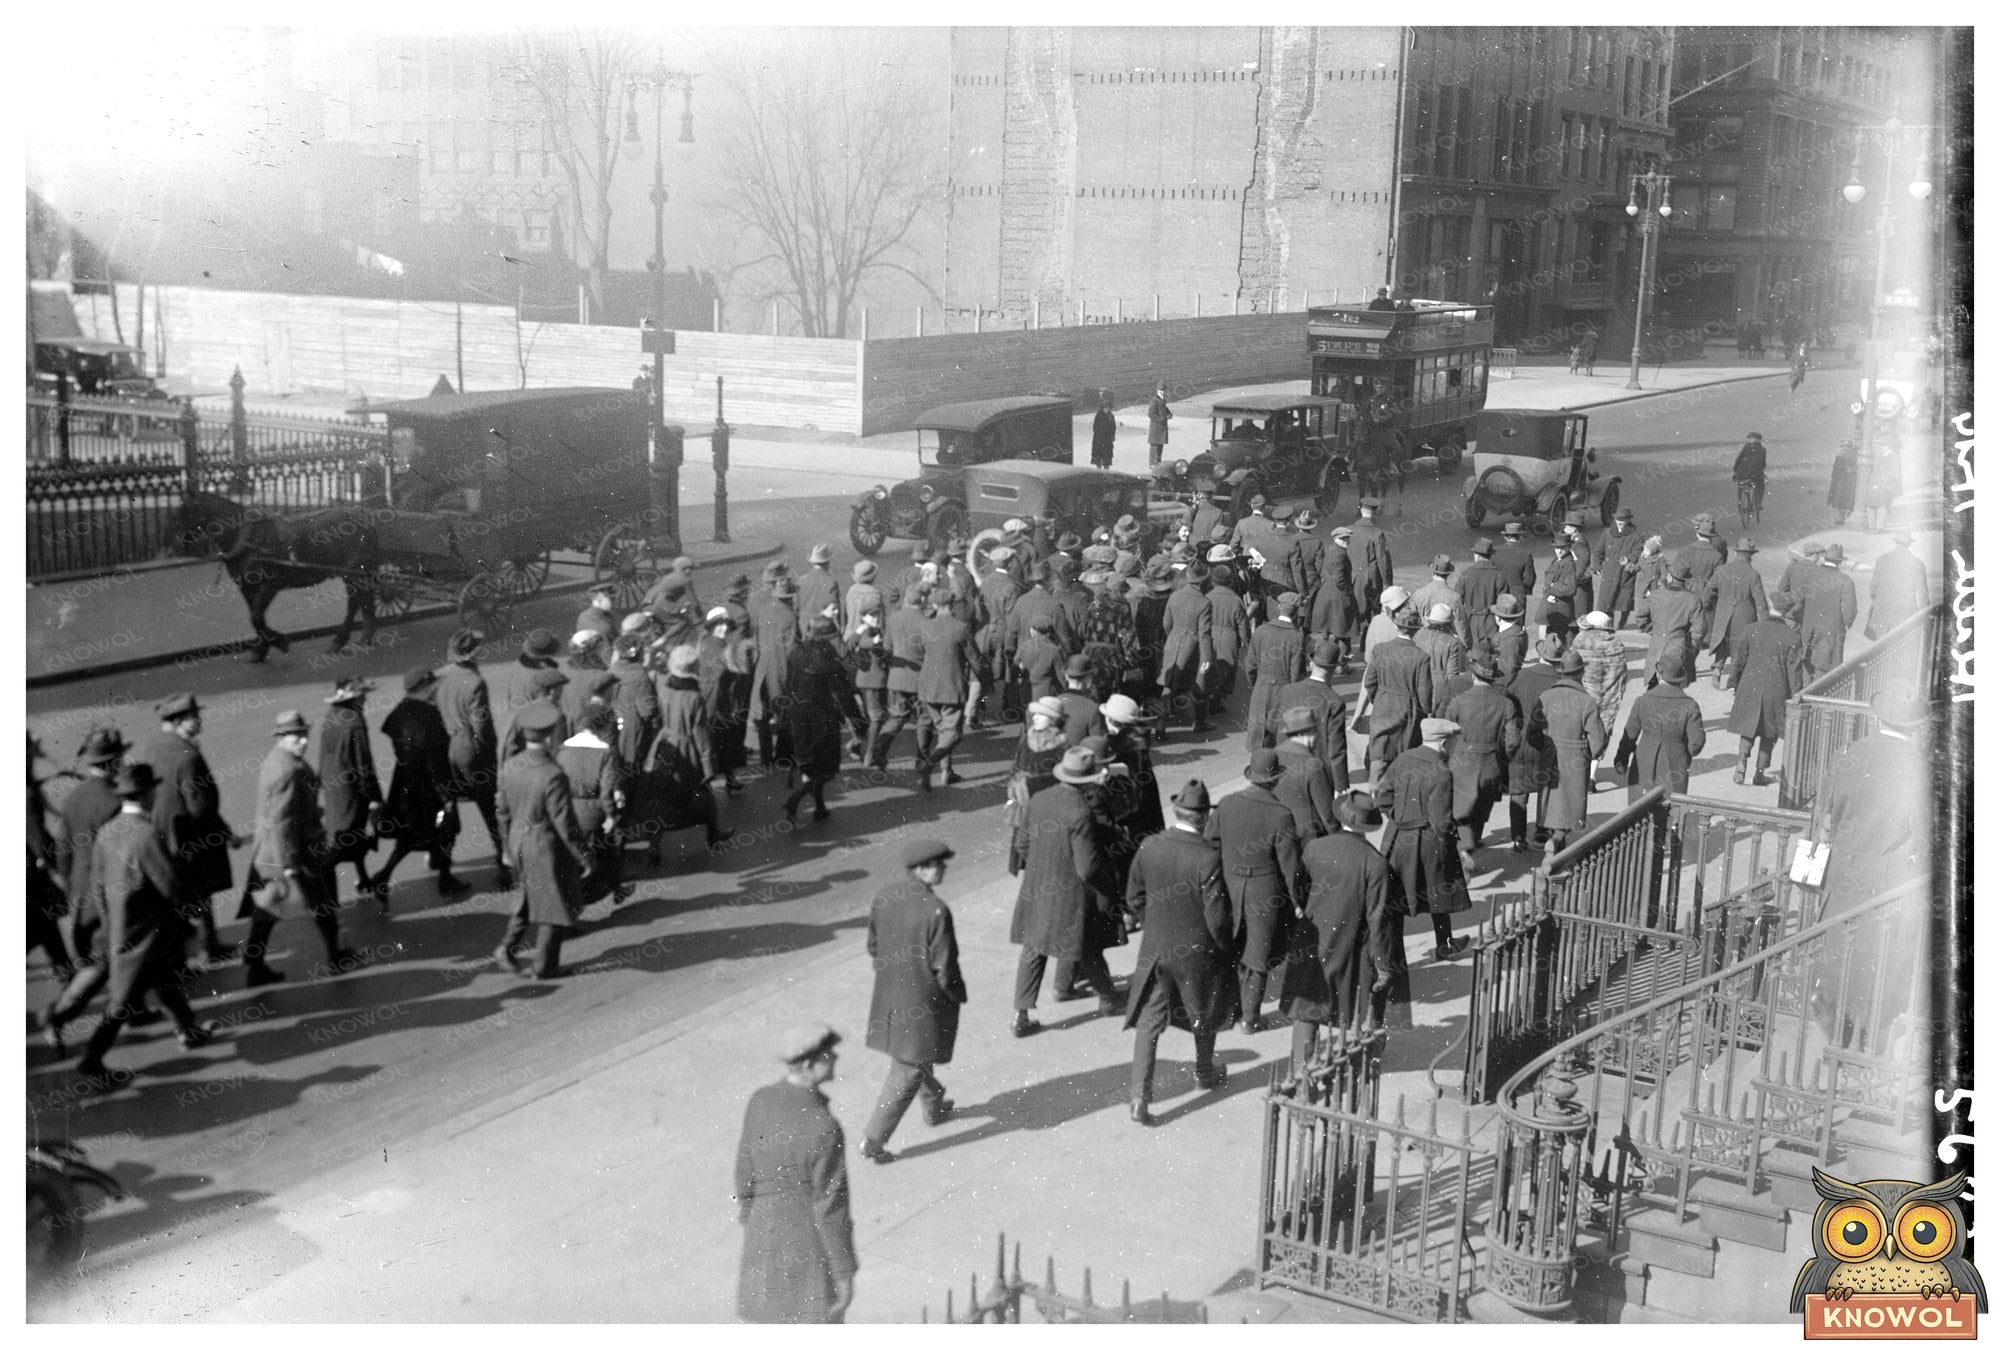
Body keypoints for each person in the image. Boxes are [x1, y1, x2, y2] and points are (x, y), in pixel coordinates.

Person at [69, 763, 221, 1089]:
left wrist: (109, 925)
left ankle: (189, 1030)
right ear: (147, 793)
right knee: (121, 1001)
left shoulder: (108, 831)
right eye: (153, 790)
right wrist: (194, 909)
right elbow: (168, 880)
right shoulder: (146, 833)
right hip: (143, 931)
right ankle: (91, 1058)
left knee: (165, 980)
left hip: (120, 926)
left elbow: (96, 884)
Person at [1122, 779, 1236, 1125]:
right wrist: (1227, 949)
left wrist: (1154, 924)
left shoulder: (1150, 846)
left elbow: (1133, 899)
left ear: (1177, 812)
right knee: (1204, 1010)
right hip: (1197, 953)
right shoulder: (1208, 858)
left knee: (1149, 1023)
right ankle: (1205, 1071)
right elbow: (1217, 919)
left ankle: (1139, 1098)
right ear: (1203, 818)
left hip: (1156, 949)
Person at [733, 1023, 857, 1323]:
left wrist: (750, 1216)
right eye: (827, 1055)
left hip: (761, 1236)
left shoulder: (760, 1099)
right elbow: (831, 1207)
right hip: (809, 1248)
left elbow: (744, 1169)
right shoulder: (823, 1127)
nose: (835, 1058)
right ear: (806, 1066)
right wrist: (843, 1271)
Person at [854, 838, 967, 1164]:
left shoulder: (885, 895)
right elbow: (945, 968)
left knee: (915, 1054)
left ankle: (934, 1105)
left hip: (890, 994)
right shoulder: (936, 911)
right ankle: (872, 1140)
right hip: (923, 1000)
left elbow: (874, 946)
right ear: (922, 869)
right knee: (908, 1068)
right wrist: (956, 994)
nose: (944, 869)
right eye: (939, 864)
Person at [1282, 790, 1405, 1070]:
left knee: (1308, 1001)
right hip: (1353, 942)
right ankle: (1366, 1055)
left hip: (1312, 936)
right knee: (1365, 999)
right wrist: (1384, 964)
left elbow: (1298, 891)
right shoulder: (1375, 863)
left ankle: (1303, 1064)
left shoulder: (1315, 848)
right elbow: (1379, 919)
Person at [1009, 745, 1122, 1035]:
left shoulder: (1039, 799)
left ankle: (1020, 1016)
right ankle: (1108, 999)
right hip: (1070, 893)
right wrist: (1108, 887)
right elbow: (1087, 867)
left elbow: (1021, 845)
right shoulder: (1080, 812)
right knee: (1086, 946)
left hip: (1036, 888)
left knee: (1033, 949)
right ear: (1087, 780)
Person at [241, 711, 356, 988]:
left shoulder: (275, 760)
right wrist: (289, 865)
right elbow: (282, 821)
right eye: (296, 736)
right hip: (293, 852)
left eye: (304, 735)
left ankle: (254, 964)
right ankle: (336, 956)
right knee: (322, 905)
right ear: (282, 737)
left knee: (267, 910)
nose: (303, 741)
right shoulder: (288, 770)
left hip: (269, 851)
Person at [133, 693, 241, 965]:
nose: (199, 721)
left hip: (160, 831)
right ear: (180, 721)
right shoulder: (188, 755)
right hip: (191, 835)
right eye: (195, 717)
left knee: (175, 890)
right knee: (201, 891)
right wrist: (220, 830)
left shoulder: (152, 747)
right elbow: (200, 806)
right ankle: (208, 947)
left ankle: (185, 945)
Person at [493, 702, 592, 979]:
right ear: (549, 737)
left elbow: (502, 811)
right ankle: (544, 967)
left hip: (517, 841)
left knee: (526, 895)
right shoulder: (553, 774)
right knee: (553, 905)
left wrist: (504, 848)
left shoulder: (511, 766)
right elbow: (565, 824)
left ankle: (507, 947)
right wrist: (584, 855)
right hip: (543, 846)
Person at [1209, 750, 1302, 1034]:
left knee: (1229, 945)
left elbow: (1210, 845)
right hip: (1265, 890)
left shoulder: (1226, 804)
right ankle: (1249, 1018)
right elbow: (1290, 867)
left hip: (1229, 882)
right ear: (1275, 780)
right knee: (1258, 952)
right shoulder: (1280, 814)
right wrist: (1298, 901)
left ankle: (1228, 1010)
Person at [1377, 720, 1471, 961]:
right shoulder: (1442, 772)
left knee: (1393, 897)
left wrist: (1399, 817)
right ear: (1443, 742)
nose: (1453, 746)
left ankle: (1389, 955)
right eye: (1452, 742)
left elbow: (1383, 796)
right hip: (1429, 841)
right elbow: (1441, 822)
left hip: (1395, 837)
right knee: (1439, 892)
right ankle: (1444, 944)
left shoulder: (1404, 758)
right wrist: (1453, 849)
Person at [373, 668, 465, 898]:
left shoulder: (399, 712)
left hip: (405, 783)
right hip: (431, 787)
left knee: (410, 835)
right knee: (448, 829)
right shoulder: (429, 716)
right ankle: (445, 879)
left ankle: (384, 875)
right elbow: (435, 761)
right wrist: (447, 796)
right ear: (425, 689)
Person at [438, 629, 509, 887]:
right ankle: (503, 868)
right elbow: (482, 726)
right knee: (491, 812)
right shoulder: (475, 681)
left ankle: (443, 868)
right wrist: (490, 755)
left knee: (449, 809)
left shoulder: (440, 676)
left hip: (448, 750)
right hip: (471, 751)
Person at [1441, 653, 1522, 852]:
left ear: (1474, 676)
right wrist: (1501, 757)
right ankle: (1473, 841)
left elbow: (1445, 735)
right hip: (1491, 763)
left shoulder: (1458, 701)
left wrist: (1449, 757)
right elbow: (1512, 742)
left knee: (1460, 809)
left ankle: (1465, 846)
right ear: (1493, 679)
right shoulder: (1506, 704)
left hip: (1462, 762)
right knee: (1482, 806)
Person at [1530, 650, 1609, 852]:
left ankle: (1549, 841)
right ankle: (1556, 842)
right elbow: (1598, 741)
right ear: (1581, 673)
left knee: (1550, 804)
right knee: (1570, 808)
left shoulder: (1545, 697)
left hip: (1549, 756)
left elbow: (1532, 733)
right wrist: (1586, 754)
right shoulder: (1587, 701)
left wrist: (1546, 748)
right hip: (1576, 758)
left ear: (1560, 672)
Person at [317, 677, 383, 905]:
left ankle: (363, 879)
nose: (364, 698)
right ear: (353, 697)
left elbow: (324, 755)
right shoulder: (355, 721)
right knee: (344, 840)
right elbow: (364, 763)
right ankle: (327, 899)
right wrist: (374, 797)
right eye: (361, 694)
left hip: (334, 788)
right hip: (352, 791)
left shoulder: (332, 715)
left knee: (348, 835)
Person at [1724, 603, 1805, 787]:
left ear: (1769, 606)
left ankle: (1741, 760)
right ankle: (1759, 773)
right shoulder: (1792, 637)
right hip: (1776, 690)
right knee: (1770, 732)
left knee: (1748, 727)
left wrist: (1733, 682)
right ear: (1787, 611)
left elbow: (1739, 660)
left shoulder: (1751, 629)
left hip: (1750, 686)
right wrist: (1795, 695)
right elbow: (1795, 671)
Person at [557, 705, 629, 905]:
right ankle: (610, 890)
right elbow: (606, 792)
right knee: (605, 853)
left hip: (569, 810)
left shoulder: (563, 748)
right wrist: (610, 816)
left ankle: (611, 890)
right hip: (593, 812)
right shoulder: (605, 752)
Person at [1357, 605, 1435, 784]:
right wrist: (1425, 713)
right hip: (1409, 711)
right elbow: (1425, 695)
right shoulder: (1421, 657)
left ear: (1396, 626)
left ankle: (1374, 799)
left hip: (1383, 707)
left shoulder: (1380, 650)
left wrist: (1379, 699)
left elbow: (1369, 682)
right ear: (1416, 631)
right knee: (1405, 759)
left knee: (1378, 758)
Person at [784, 619, 850, 821]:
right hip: (821, 716)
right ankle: (796, 799)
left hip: (798, 713)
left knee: (811, 764)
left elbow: (790, 683)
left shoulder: (795, 651)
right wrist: (852, 716)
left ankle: (820, 806)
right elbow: (840, 687)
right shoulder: (827, 653)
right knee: (826, 767)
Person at [1613, 651, 1706, 794]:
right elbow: (1696, 743)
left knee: (1638, 809)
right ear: (1681, 679)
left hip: (1643, 761)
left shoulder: (1642, 701)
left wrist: (1622, 759)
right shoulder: (1690, 705)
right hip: (1675, 764)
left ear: (1658, 675)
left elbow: (1629, 735)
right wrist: (1683, 752)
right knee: (1670, 810)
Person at [913, 590, 978, 791]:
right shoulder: (960, 628)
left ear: (934, 605)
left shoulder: (925, 626)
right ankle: (931, 764)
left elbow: (917, 651)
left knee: (937, 728)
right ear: (952, 605)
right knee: (953, 734)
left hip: (927, 687)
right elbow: (974, 658)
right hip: (951, 687)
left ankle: (944, 770)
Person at [1505, 638, 1565, 852]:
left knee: (1519, 789)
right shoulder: (1560, 681)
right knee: (1545, 787)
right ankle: (1541, 830)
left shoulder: (1521, 675)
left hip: (1522, 737)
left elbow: (1508, 698)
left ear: (1540, 654)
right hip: (1548, 740)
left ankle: (1518, 838)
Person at [1268, 638, 1351, 789]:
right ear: (1333, 669)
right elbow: (1336, 748)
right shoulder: (1334, 701)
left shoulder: (1287, 690)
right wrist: (1341, 785)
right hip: (1317, 776)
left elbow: (1271, 725)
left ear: (1311, 664)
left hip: (1284, 767)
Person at [1243, 590, 1306, 753]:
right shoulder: (1296, 637)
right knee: (1280, 742)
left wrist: (1257, 684)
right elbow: (1296, 674)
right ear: (1296, 613)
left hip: (1261, 689)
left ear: (1279, 607)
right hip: (1283, 692)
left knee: (1259, 742)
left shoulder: (1261, 630)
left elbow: (1250, 665)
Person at [1702, 538, 1770, 686]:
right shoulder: (1753, 574)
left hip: (1723, 612)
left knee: (1722, 640)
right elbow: (1761, 602)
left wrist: (1706, 605)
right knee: (1739, 647)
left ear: (1736, 553)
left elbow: (1708, 590)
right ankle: (1734, 680)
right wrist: (1765, 622)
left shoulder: (1722, 570)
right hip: (1744, 614)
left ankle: (1717, 668)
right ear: (1749, 556)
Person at [1156, 562, 1214, 736]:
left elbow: (1166, 623)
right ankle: (1201, 721)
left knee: (1169, 684)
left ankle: (1160, 724)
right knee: (1199, 684)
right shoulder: (1204, 602)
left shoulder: (1174, 596)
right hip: (1193, 648)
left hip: (1173, 643)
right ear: (1204, 580)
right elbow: (1204, 634)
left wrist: (1172, 638)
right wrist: (1206, 659)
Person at [752, 574, 802, 768]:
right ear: (790, 597)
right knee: (785, 713)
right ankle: (784, 756)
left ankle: (766, 758)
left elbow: (756, 636)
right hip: (781, 670)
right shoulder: (790, 616)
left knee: (762, 715)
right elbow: (792, 649)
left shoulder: (764, 610)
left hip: (762, 668)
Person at [1634, 560, 1706, 685]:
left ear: (1670, 577)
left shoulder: (1655, 595)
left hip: (1656, 646)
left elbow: (1640, 617)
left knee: (1653, 685)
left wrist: (1654, 631)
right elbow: (1699, 630)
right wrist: (1691, 647)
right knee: (1675, 687)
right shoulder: (1692, 599)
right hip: (1678, 648)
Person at [1799, 543, 1858, 679]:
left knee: (1807, 664)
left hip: (1809, 628)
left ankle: (1803, 692)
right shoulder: (1846, 580)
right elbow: (1849, 610)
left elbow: (1800, 599)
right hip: (1831, 631)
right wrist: (1846, 623)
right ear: (1840, 562)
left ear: (1825, 558)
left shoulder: (1810, 575)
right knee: (1826, 668)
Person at [1571, 611, 1630, 743]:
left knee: (1580, 731)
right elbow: (1622, 676)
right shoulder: (1616, 643)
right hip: (1609, 699)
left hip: (1584, 696)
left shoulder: (1581, 641)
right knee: (1602, 732)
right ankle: (1595, 761)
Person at [1204, 563, 1253, 715]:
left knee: (1211, 668)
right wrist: (1248, 645)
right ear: (1230, 581)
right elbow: (1243, 627)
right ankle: (1217, 699)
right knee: (1227, 670)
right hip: (1228, 637)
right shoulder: (1236, 600)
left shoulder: (1207, 597)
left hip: (1209, 635)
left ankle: (1210, 697)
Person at [1867, 530, 1930, 640]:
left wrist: (1879, 600)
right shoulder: (1917, 564)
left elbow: (1872, 588)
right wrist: (1924, 616)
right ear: (1909, 544)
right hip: (1905, 614)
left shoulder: (1882, 559)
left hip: (1883, 612)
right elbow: (1923, 595)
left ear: (1895, 542)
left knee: (1881, 648)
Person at [1589, 508, 1645, 628]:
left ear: (1628, 520)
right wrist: (1597, 565)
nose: (1619, 522)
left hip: (1625, 573)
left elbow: (1638, 551)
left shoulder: (1636, 535)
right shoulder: (1608, 533)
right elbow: (1599, 551)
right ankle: (1609, 623)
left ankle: (1623, 621)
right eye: (1617, 519)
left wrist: (1629, 558)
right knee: (1607, 599)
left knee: (1625, 600)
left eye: (1623, 519)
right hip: (1609, 572)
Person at [1347, 497, 1393, 627]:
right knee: (1372, 611)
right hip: (1371, 577)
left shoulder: (1348, 530)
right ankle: (1366, 641)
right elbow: (1383, 560)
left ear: (1361, 510)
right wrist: (1388, 583)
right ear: (1375, 513)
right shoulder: (1377, 533)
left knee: (1354, 608)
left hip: (1352, 575)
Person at [1414, 601, 1470, 693]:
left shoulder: (1418, 635)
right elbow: (1452, 674)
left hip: (1419, 683)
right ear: (1449, 623)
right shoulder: (1452, 642)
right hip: (1440, 687)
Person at [796, 544, 843, 639]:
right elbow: (834, 609)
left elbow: (796, 607)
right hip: (822, 629)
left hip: (804, 627)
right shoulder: (830, 582)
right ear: (827, 562)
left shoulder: (801, 580)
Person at [1493, 521, 1538, 606]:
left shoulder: (1494, 552)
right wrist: (1528, 589)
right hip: (1517, 595)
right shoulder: (1526, 554)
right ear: (1520, 536)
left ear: (1505, 537)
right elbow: (1529, 578)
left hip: (1498, 594)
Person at [1862, 439, 1902, 532]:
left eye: (1883, 445)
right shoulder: (1881, 454)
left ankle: (1879, 527)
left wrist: (1884, 479)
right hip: (1875, 482)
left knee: (1881, 505)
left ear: (1889, 446)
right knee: (1870, 504)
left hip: (1884, 484)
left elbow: (1895, 472)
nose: (1881, 447)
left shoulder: (1893, 455)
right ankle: (1872, 526)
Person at [1490, 592, 1528, 688]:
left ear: (1498, 618)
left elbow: (1506, 673)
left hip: (1502, 687)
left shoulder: (1509, 640)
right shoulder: (1517, 631)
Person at [1732, 433, 1769, 521]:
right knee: (1760, 485)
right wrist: (1761, 471)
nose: (1749, 440)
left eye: (1750, 438)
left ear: (1753, 439)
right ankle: (1758, 503)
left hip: (1743, 471)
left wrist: (1735, 470)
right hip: (1756, 473)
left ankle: (1740, 503)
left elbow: (1739, 459)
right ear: (1759, 440)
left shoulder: (1747, 447)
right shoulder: (1763, 449)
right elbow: (1763, 463)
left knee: (1741, 484)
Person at [1827, 442, 1860, 527]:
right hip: (1847, 481)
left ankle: (1841, 518)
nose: (1845, 448)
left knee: (1840, 499)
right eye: (1844, 446)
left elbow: (1835, 470)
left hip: (1843, 481)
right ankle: (1843, 517)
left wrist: (1834, 477)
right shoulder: (1854, 455)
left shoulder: (1840, 455)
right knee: (1846, 499)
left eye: (1846, 446)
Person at [1146, 383, 1172, 468]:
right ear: (1157, 390)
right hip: (1156, 428)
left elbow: (1165, 409)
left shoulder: (1162, 399)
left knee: (1160, 446)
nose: (1163, 392)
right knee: (1154, 447)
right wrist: (1162, 419)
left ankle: (1158, 463)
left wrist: (1169, 414)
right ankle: (1152, 464)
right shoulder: (1154, 399)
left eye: (1164, 390)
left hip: (1161, 428)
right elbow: (1150, 414)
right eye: (1161, 390)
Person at [1091, 391, 1117, 469]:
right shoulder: (1099, 415)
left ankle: (1106, 471)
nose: (1107, 409)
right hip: (1099, 440)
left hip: (1108, 440)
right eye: (1106, 408)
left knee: (1107, 459)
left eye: (1108, 408)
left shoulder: (1111, 416)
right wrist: (1101, 434)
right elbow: (1095, 427)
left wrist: (1112, 435)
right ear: (1103, 408)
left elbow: (1114, 427)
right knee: (1098, 457)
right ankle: (1098, 472)